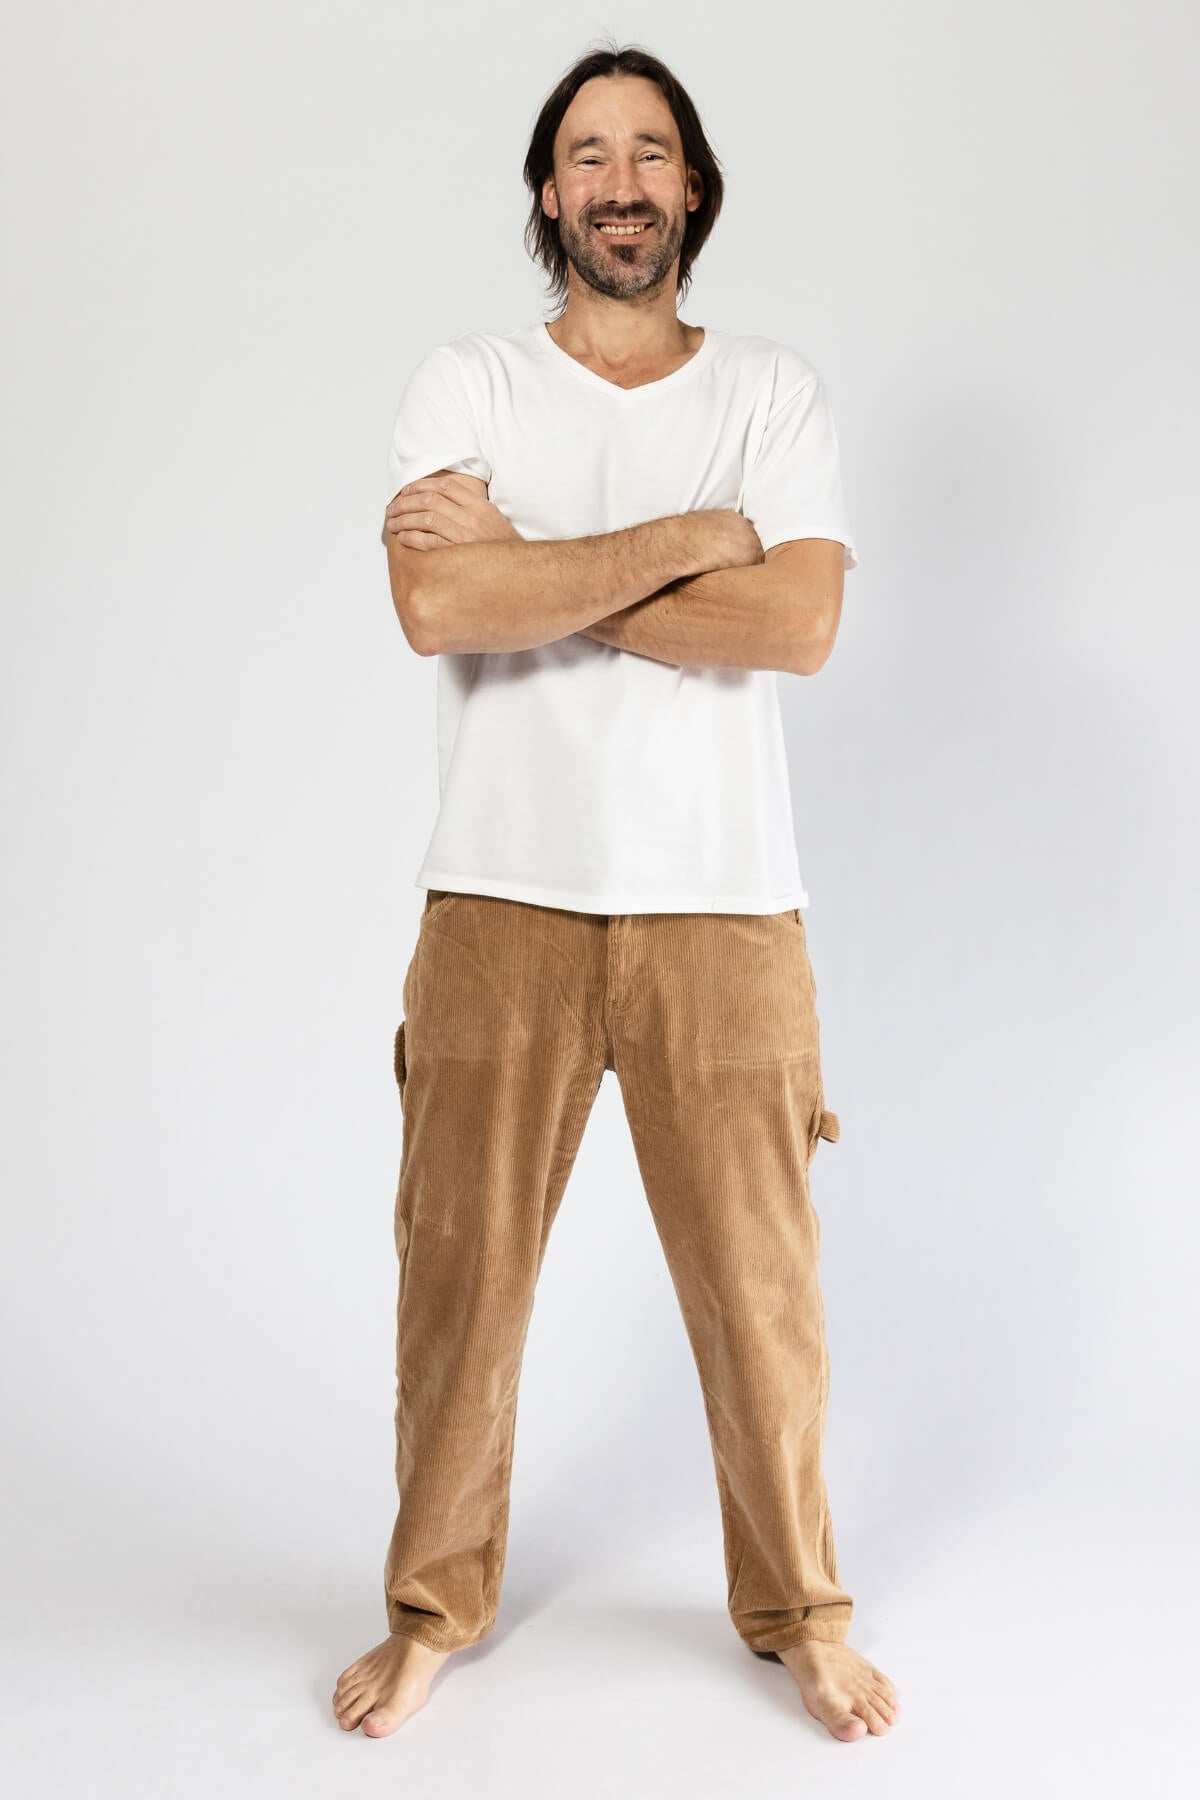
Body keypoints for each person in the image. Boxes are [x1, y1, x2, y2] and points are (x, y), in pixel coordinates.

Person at [333, 41, 899, 1744]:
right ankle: (431, 1611)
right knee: (459, 1284)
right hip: (497, 895)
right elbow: (436, 609)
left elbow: (799, 625)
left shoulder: (771, 393)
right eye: (589, 155)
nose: (621, 182)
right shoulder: (470, 383)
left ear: (693, 187)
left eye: (650, 151)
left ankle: (800, 1613)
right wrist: (692, 538)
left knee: (762, 1297)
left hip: (725, 903)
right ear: (548, 192)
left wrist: (534, 570)